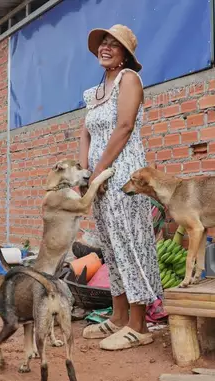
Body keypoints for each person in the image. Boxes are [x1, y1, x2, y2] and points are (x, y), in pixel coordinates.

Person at [78, 24, 162, 351]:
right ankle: (118, 317)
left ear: (125, 53)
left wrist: (100, 171)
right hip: (100, 178)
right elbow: (85, 131)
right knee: (111, 246)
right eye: (103, 42)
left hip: (124, 173)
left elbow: (125, 126)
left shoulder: (129, 80)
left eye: (114, 44)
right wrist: (84, 171)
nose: (106, 47)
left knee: (131, 242)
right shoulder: (96, 91)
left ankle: (139, 326)